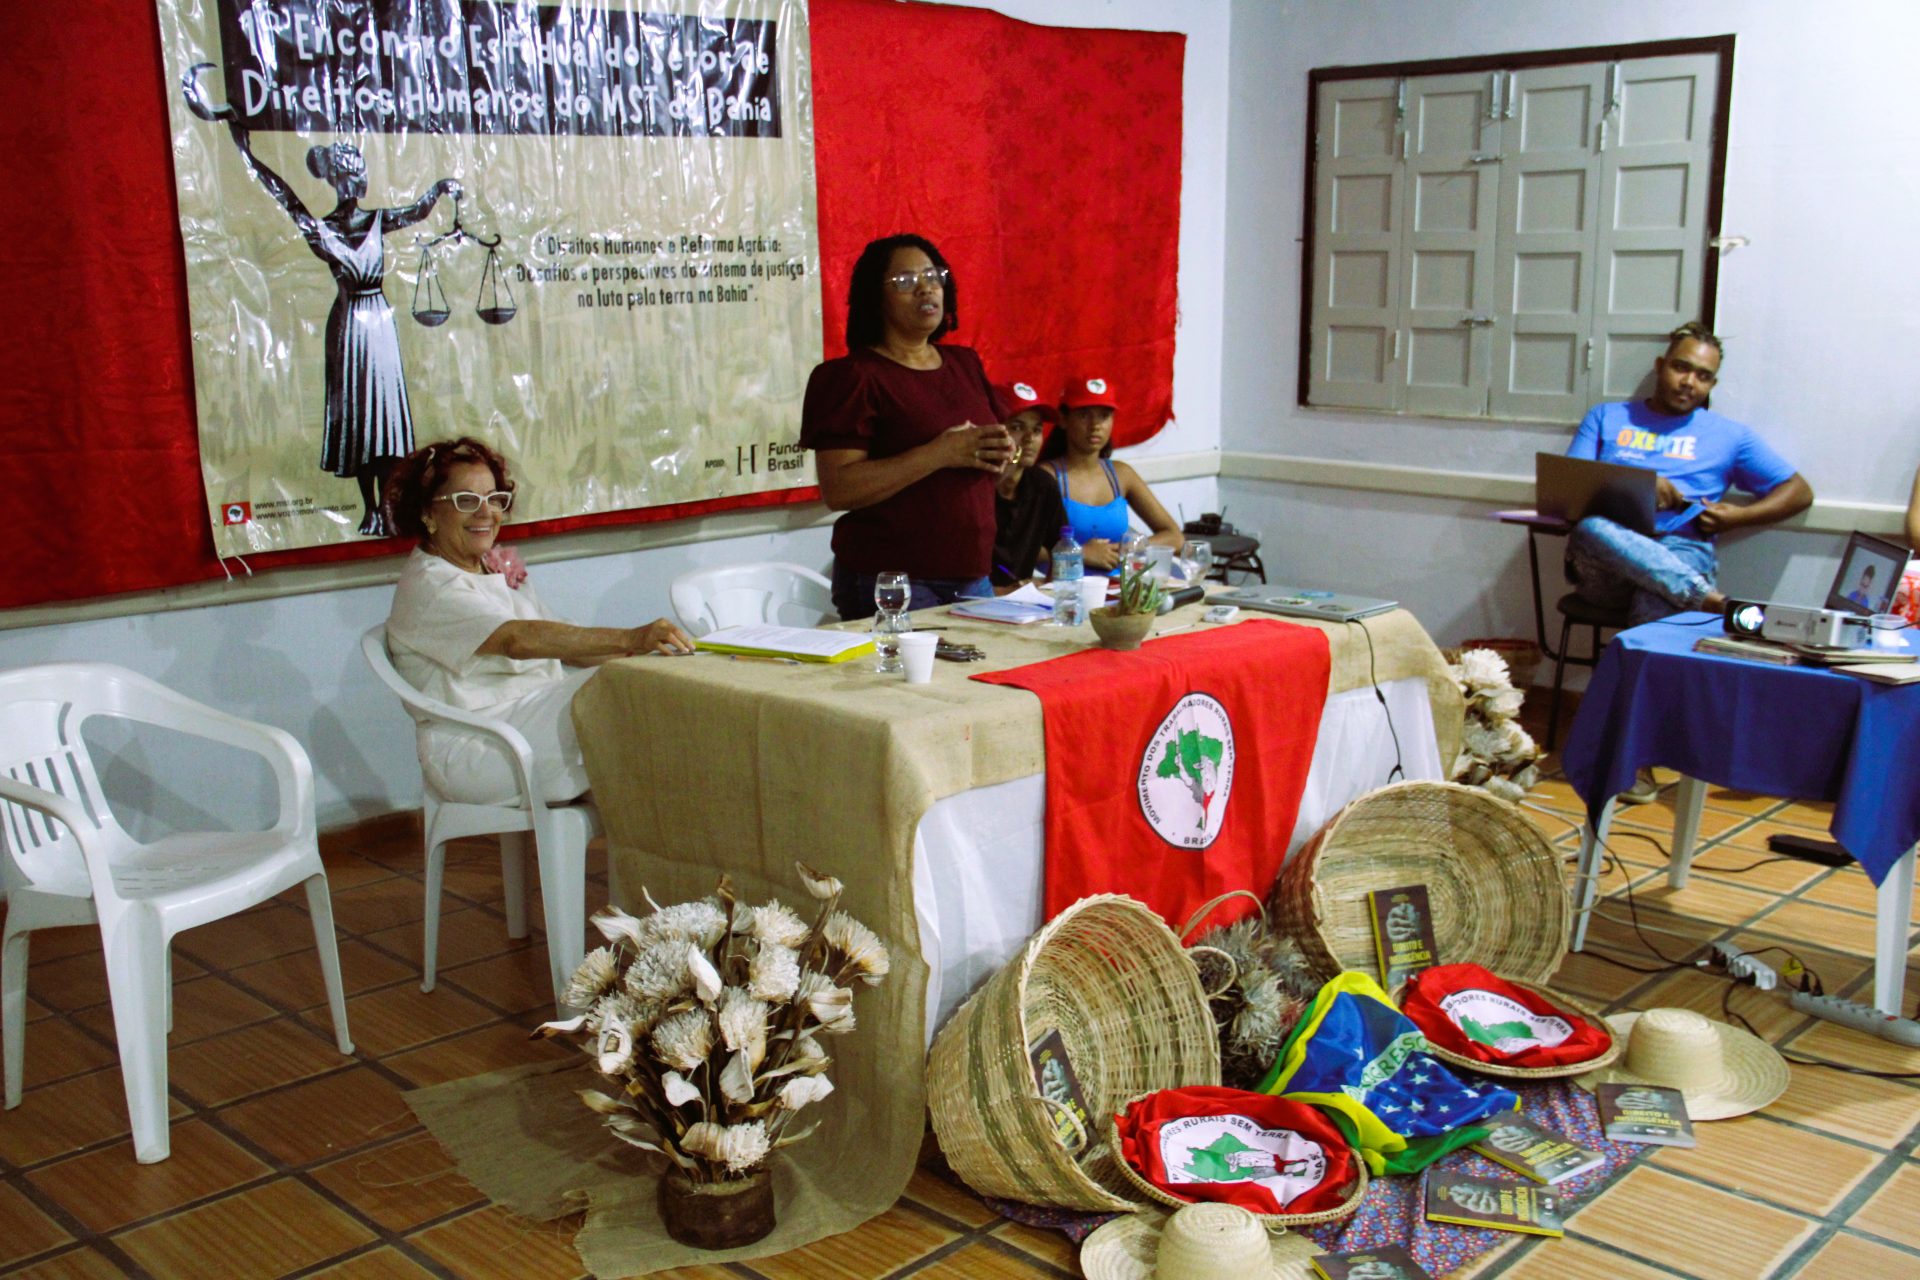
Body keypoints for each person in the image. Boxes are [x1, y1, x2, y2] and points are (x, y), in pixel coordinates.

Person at [184, 66, 460, 536]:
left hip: (378, 322)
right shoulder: (322, 230)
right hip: (350, 324)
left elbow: (416, 210)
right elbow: (284, 198)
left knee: (385, 417)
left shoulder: (377, 221)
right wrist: (245, 149)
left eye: (359, 177)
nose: (356, 185)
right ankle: (370, 508)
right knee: (357, 416)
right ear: (338, 182)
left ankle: (388, 508)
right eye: (350, 178)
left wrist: (440, 189)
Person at [382, 438, 693, 806]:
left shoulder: (488, 565)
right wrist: (632, 639)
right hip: (479, 746)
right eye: (466, 501)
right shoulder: (431, 584)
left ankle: (664, 849)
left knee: (644, 690)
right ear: (427, 513)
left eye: (494, 499)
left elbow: (561, 640)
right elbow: (517, 639)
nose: (485, 513)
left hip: (530, 721)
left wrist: (648, 661)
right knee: (621, 697)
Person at [800, 234, 1016, 620]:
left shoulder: (965, 363)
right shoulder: (852, 377)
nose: (925, 287)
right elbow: (839, 489)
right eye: (904, 281)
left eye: (934, 276)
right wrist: (940, 452)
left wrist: (1002, 457)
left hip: (972, 575)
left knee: (976, 680)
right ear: (875, 297)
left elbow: (987, 462)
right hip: (894, 581)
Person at [1564, 323, 1813, 627]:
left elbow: (1799, 491)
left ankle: (1644, 660)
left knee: (1656, 596)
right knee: (1591, 527)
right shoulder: (1605, 417)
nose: (1689, 382)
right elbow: (1569, 492)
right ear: (1661, 366)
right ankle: (1708, 600)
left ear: (1712, 384)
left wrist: (1738, 518)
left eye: (1703, 376)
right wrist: (1638, 485)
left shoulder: (1729, 436)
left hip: (1682, 549)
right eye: (1681, 368)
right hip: (1606, 568)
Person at [1037, 376, 1184, 577]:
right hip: (1064, 591)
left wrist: (1133, 547)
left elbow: (1174, 537)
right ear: (1063, 419)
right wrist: (1079, 553)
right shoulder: (1046, 477)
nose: (1095, 425)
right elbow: (1017, 549)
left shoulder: (1121, 475)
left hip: (1117, 589)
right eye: (1084, 415)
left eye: (1104, 416)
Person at [990, 382, 1066, 591]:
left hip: (1022, 603)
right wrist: (1002, 592)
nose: (1029, 438)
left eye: (1037, 430)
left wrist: (1050, 587)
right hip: (970, 600)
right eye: (1017, 427)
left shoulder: (1043, 484)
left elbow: (1063, 547)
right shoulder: (973, 486)